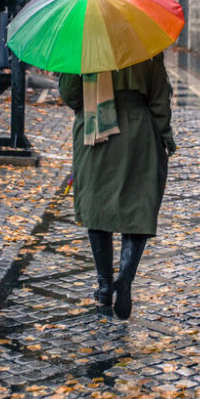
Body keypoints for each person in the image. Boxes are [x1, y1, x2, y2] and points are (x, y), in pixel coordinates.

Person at [58, 55, 176, 319]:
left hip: (95, 131)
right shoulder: (143, 44)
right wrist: (165, 136)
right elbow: (159, 98)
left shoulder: (84, 45)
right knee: (138, 207)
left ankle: (104, 288)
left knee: (96, 208)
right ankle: (124, 279)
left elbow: (71, 95)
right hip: (138, 133)